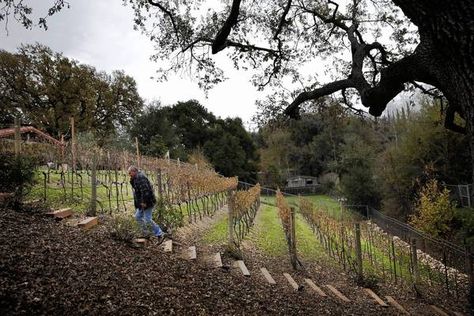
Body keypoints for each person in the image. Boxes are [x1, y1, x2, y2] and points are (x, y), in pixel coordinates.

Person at [128, 166, 165, 242]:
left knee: (148, 219)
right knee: (138, 217)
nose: (129, 174)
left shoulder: (140, 178)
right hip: (141, 203)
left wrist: (144, 202)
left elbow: (146, 191)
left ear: (134, 171)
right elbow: (137, 190)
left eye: (130, 172)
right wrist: (131, 180)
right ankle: (146, 233)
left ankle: (160, 233)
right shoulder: (135, 178)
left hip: (147, 202)